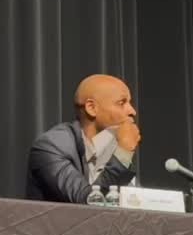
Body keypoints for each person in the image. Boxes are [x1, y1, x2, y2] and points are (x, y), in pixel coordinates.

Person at [26, 73, 141, 203]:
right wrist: (123, 152)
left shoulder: (114, 145)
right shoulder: (51, 146)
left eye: (129, 102)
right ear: (91, 108)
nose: (132, 111)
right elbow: (90, 203)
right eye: (122, 103)